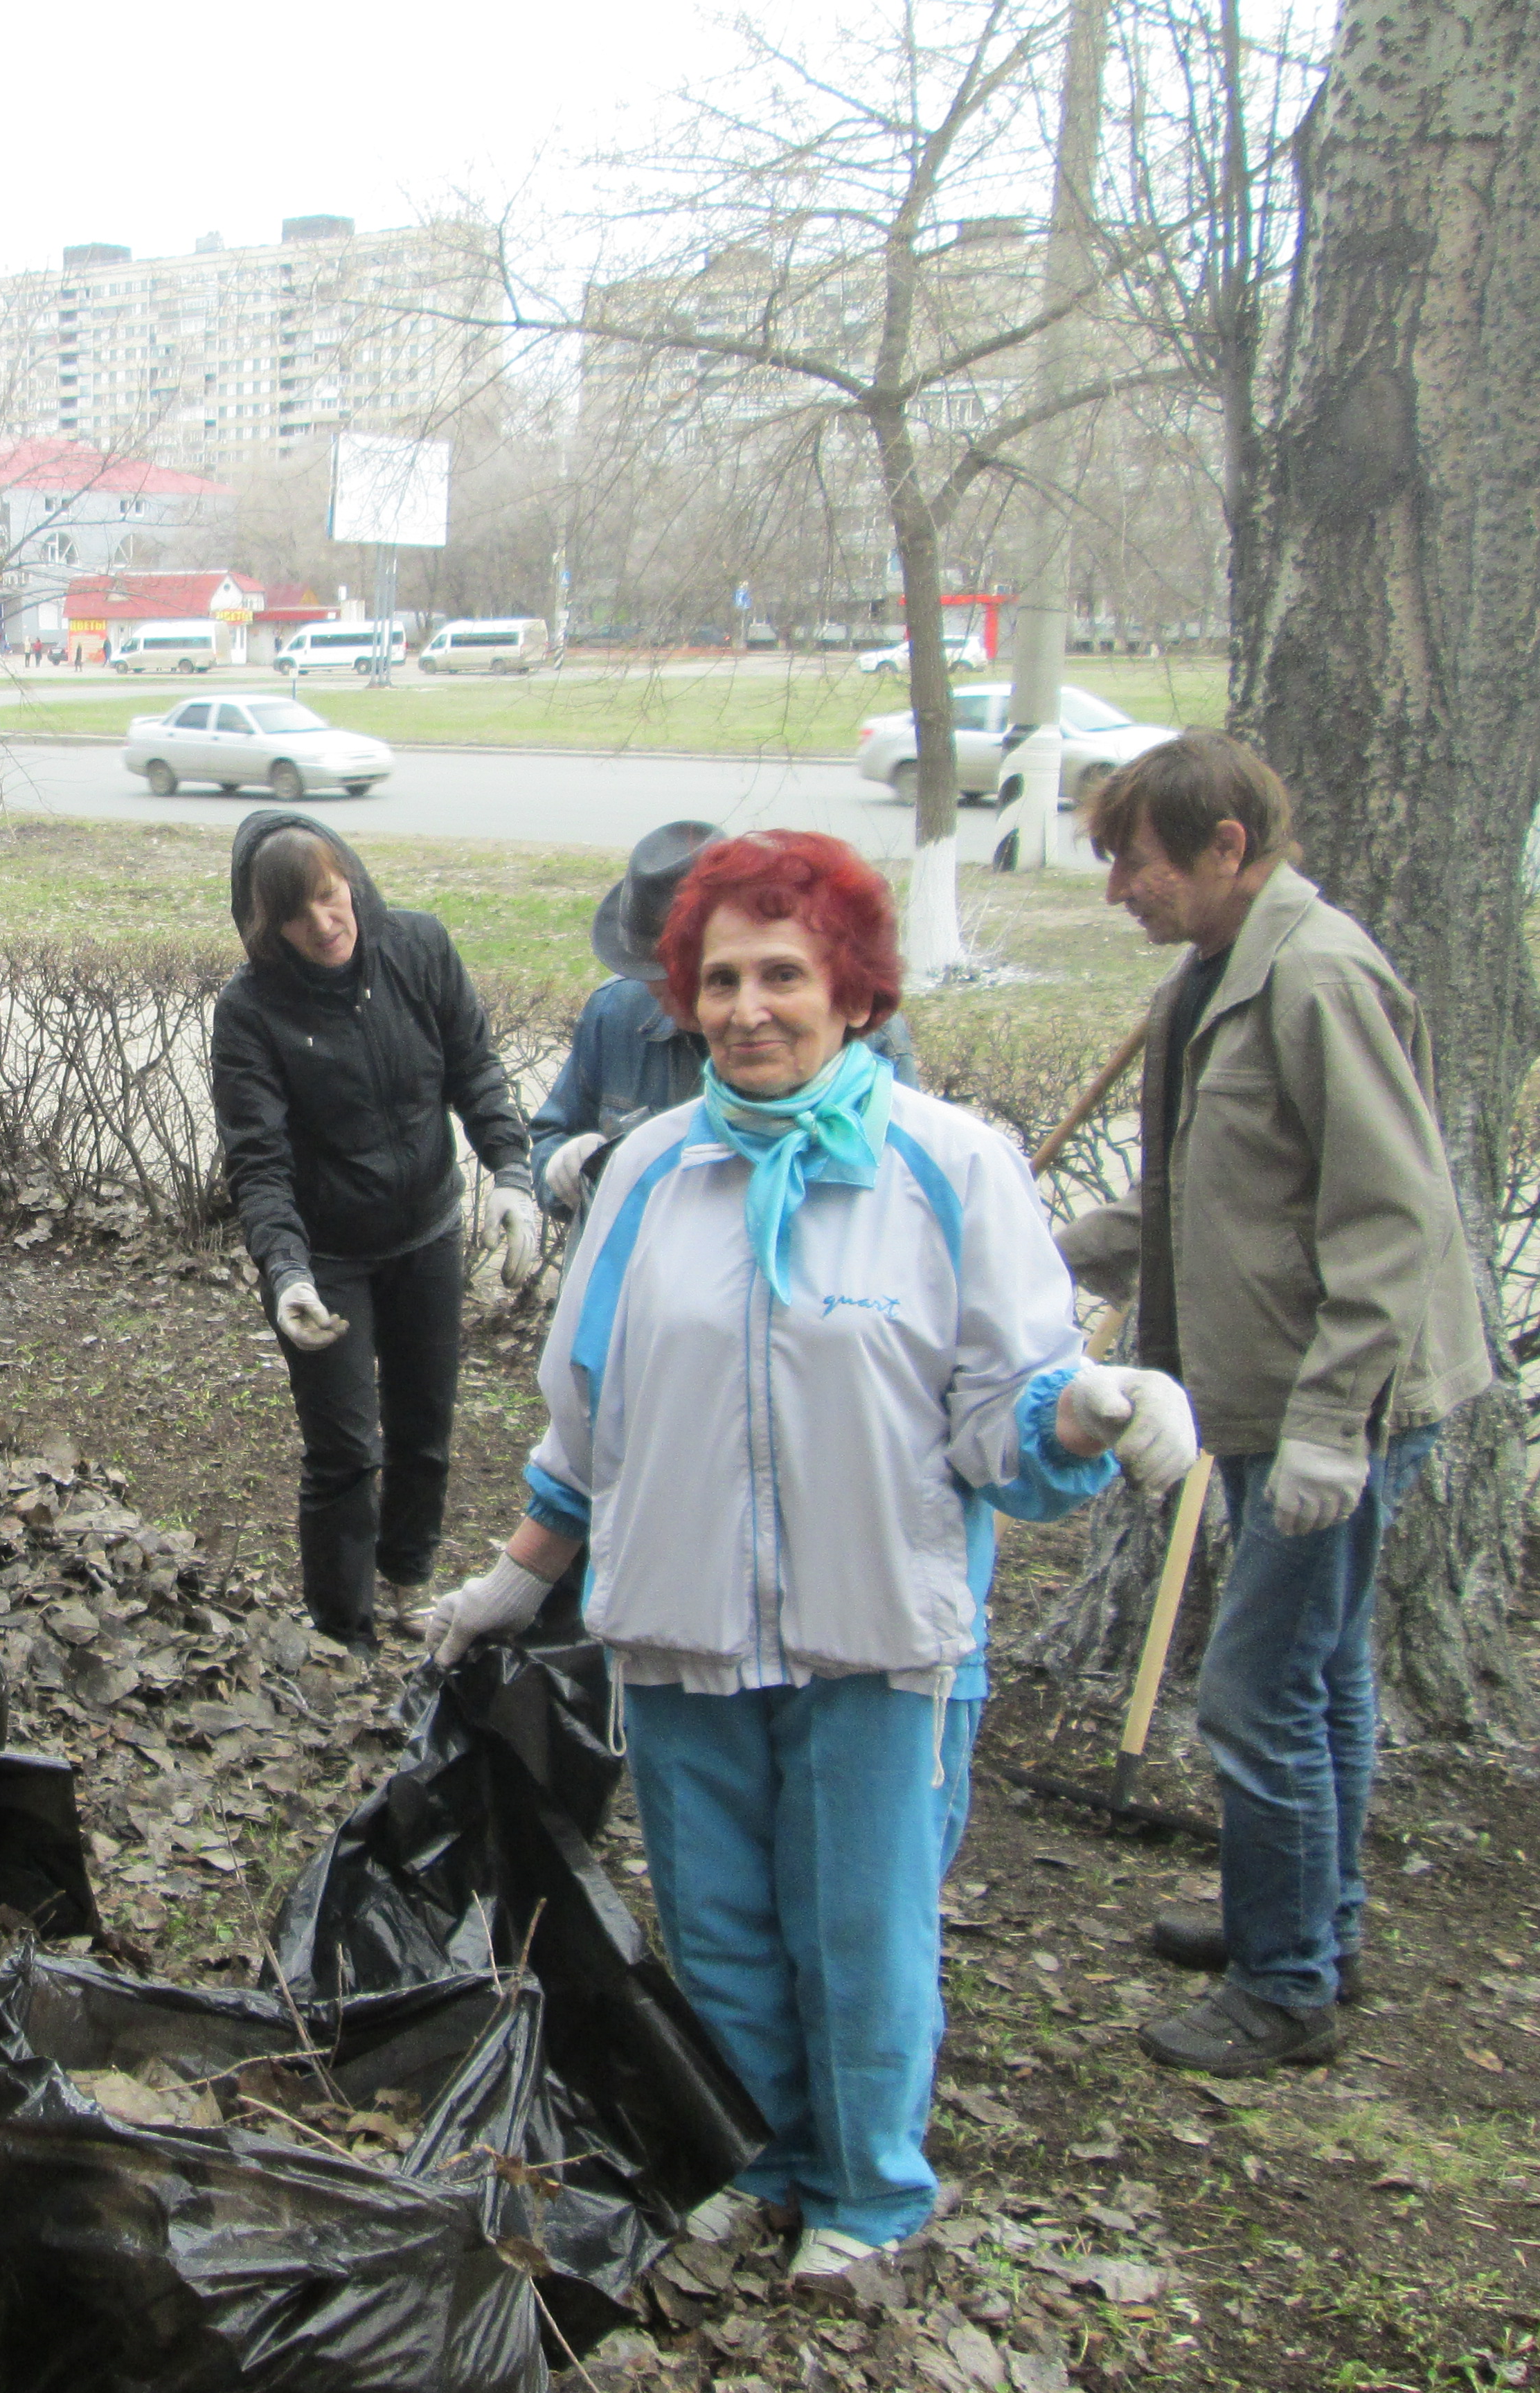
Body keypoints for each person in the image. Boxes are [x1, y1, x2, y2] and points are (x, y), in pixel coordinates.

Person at [422, 828, 1196, 2282]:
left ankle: (868, 2191)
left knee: (860, 1934)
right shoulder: (652, 1170)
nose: (747, 1007)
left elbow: (1002, 1414)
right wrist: (523, 1571)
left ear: (852, 991)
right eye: (721, 979)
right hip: (679, 1623)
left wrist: (1088, 1412)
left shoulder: (952, 1166)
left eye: (784, 974)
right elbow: (591, 1415)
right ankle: (758, 2153)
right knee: (716, 1924)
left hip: (877, 1632)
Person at [1056, 732, 1490, 2077]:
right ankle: (1310, 1925)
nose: (1120, 888)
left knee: (1253, 1689)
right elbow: (1214, 1192)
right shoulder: (1219, 977)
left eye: (1135, 860)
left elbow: (1391, 1213)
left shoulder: (1318, 977)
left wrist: (1334, 1422)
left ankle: (1287, 1985)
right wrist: (1045, 1242)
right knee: (1321, 1672)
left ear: (1225, 847)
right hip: (1267, 1397)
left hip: (1337, 1403)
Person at [210, 811, 544, 1649]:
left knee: (425, 1427)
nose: (324, 925)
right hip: (324, 1259)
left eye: (330, 897)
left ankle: (404, 1580)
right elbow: (260, 1162)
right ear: (267, 926)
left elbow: (473, 1065)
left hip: (427, 1232)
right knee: (346, 1451)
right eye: (297, 914)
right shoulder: (250, 1011)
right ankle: (341, 1632)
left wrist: (510, 1173)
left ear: (350, 881)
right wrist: (286, 1273)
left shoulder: (418, 949)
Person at [532, 820, 917, 1219]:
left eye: (781, 976)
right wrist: (565, 1168)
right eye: (642, 975)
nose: (747, 1014)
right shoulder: (616, 1010)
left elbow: (899, 1180)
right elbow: (550, 1138)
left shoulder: (857, 1030)